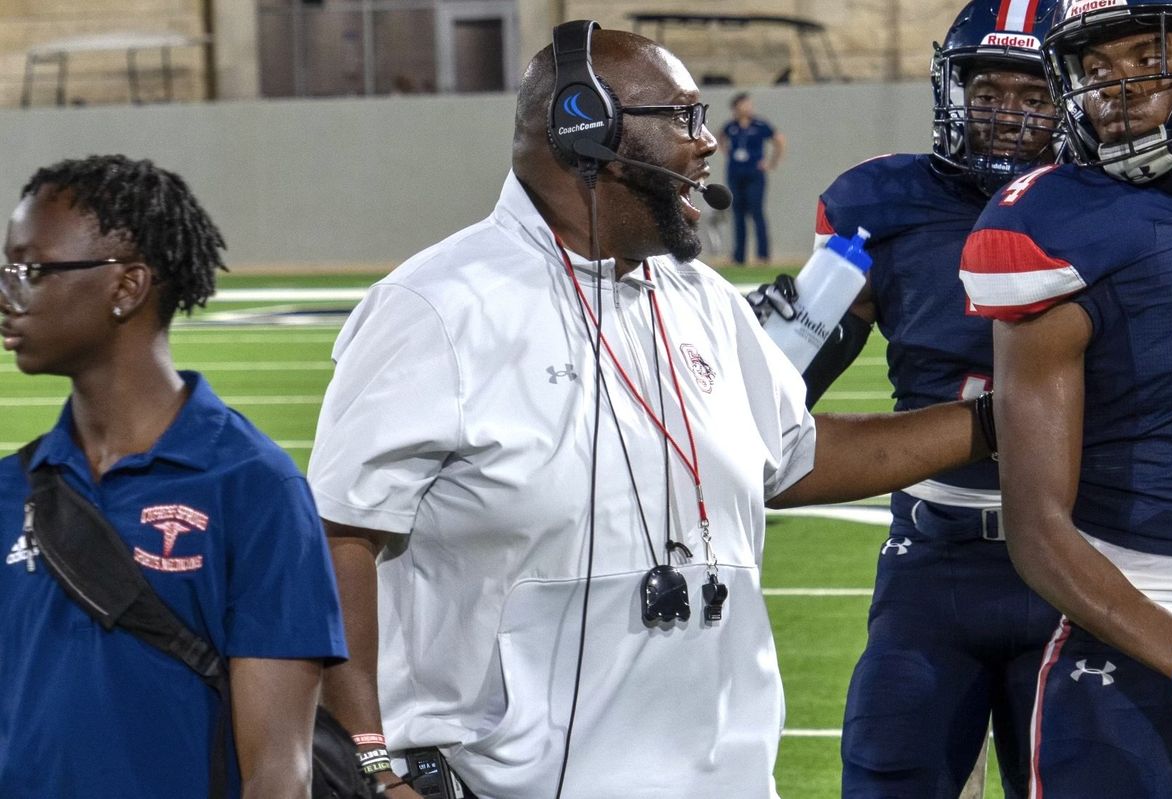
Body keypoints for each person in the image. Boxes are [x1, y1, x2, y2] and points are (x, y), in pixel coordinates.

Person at [308, 21, 991, 799]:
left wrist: (993, 425)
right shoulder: (435, 308)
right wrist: (372, 764)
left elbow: (795, 452)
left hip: (722, 779)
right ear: (587, 130)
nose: (706, 146)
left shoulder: (700, 299)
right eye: (685, 118)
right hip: (503, 783)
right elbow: (338, 537)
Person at [753, 2, 1064, 796]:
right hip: (936, 552)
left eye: (1034, 95)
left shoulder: (1118, 209)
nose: (1007, 115)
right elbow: (783, 393)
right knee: (890, 769)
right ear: (950, 90)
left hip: (1078, 550)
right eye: (987, 90)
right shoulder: (886, 205)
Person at [0, 155, 348, 798]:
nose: (7, 293)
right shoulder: (10, 490)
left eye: (32, 270)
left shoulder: (254, 489)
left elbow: (278, 773)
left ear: (127, 287)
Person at [959, 0, 1172, 795]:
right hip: (1135, 616)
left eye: (1145, 57)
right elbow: (1037, 529)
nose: (1117, 89)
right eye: (1095, 70)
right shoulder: (1058, 222)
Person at [719, 91, 785, 264]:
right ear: (735, 108)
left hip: (755, 174)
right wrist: (726, 152)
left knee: (757, 212)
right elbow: (720, 137)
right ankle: (738, 256)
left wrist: (771, 163)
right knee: (738, 214)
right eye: (744, 104)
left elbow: (779, 140)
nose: (748, 107)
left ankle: (763, 255)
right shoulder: (731, 126)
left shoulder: (760, 124)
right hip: (735, 173)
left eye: (749, 104)